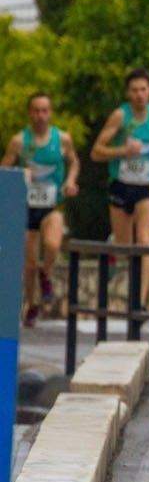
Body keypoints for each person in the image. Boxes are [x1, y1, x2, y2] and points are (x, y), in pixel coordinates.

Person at [90, 68, 149, 303]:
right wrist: (122, 151)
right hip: (121, 184)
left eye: (143, 90)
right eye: (134, 90)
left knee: (145, 240)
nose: (139, 95)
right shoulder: (120, 116)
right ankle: (114, 245)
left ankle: (139, 299)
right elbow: (96, 152)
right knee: (125, 245)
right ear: (128, 94)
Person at [1, 92, 79, 326]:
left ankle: (47, 273)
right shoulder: (19, 141)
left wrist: (70, 182)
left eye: (45, 110)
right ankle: (32, 303)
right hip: (25, 206)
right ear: (29, 113)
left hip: (51, 205)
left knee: (53, 244)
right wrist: (19, 175)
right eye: (36, 110)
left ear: (50, 113)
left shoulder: (62, 139)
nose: (40, 116)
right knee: (29, 263)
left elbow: (74, 161)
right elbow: (4, 170)